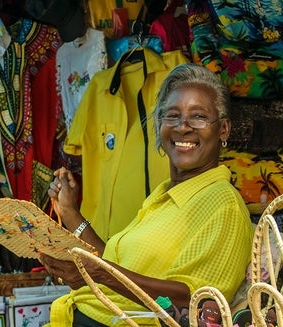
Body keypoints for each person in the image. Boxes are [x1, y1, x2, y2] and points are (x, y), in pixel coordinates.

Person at [39, 63, 254, 326]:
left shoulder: (223, 204)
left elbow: (196, 300)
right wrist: (71, 214)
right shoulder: (164, 194)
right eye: (172, 115)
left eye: (198, 116)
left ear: (223, 130)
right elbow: (113, 264)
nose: (182, 127)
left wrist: (97, 274)